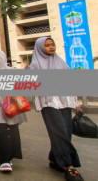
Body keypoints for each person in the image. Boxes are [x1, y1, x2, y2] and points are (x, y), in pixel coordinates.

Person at [28, 37, 84, 181]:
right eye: (47, 45)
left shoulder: (61, 63)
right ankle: (69, 166)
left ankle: (54, 159)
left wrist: (76, 103)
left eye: (53, 44)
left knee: (66, 132)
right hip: (49, 103)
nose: (51, 47)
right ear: (40, 48)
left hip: (65, 102)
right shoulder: (35, 65)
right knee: (59, 132)